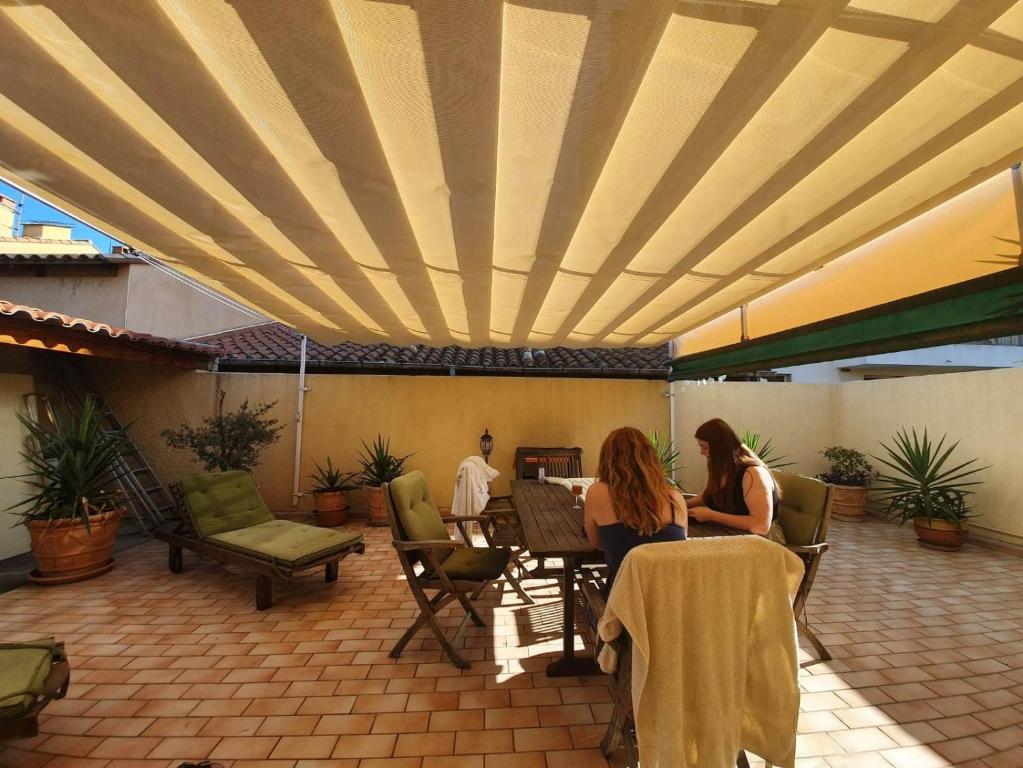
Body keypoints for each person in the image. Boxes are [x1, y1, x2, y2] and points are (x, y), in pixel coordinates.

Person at [584, 427, 688, 589]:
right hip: (669, 601)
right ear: (651, 460)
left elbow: (597, 542)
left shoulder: (598, 492)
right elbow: (680, 545)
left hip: (625, 602)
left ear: (608, 461)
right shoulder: (675, 499)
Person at [686, 418, 781, 539]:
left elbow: (761, 526)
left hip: (761, 540)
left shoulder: (753, 474)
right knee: (677, 532)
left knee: (684, 541)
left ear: (719, 447)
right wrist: (684, 504)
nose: (701, 452)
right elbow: (709, 494)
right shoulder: (720, 468)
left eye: (704, 447)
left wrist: (711, 515)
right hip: (730, 531)